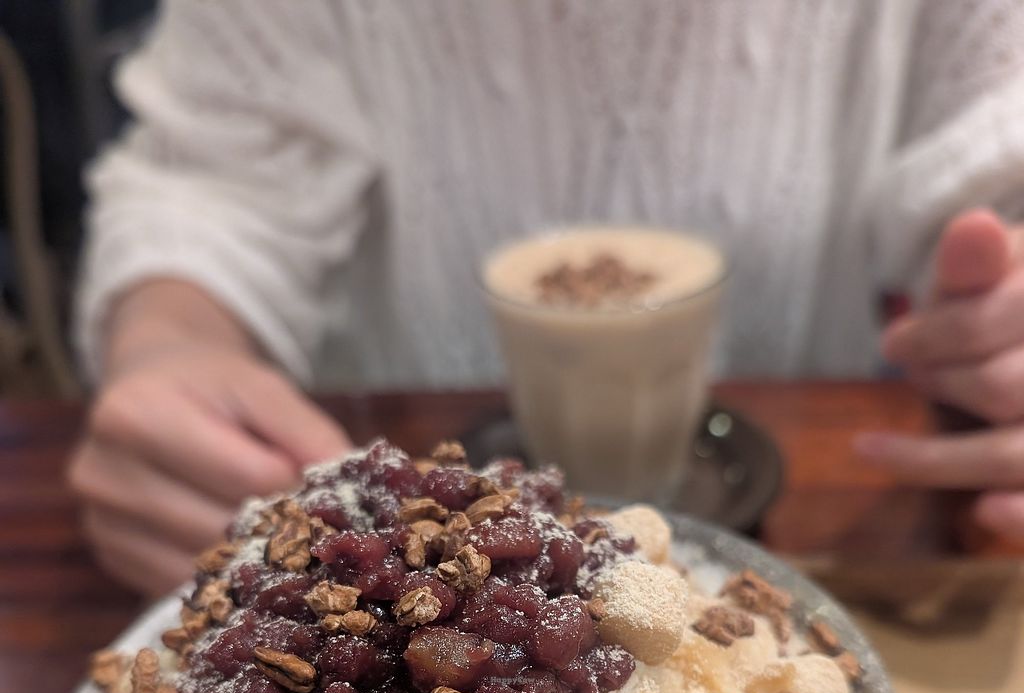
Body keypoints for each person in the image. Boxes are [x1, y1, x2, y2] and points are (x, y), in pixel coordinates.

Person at [69, 1, 1024, 594]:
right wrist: (171, 342)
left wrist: (999, 312)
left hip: (830, 547)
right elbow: (209, 184)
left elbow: (998, 160)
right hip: (413, 542)